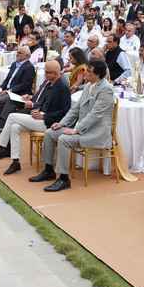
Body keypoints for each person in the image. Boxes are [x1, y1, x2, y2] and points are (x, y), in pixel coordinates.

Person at [30, 60, 115, 192]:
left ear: (98, 75)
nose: (85, 73)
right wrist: (62, 123)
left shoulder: (107, 89)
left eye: (89, 72)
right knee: (50, 133)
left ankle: (64, 179)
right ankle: (48, 170)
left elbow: (95, 115)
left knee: (64, 139)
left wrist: (76, 130)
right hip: (82, 129)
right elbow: (75, 109)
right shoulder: (88, 86)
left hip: (96, 133)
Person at [0, 60, 73, 175]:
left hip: (50, 123)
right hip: (40, 118)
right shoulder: (50, 83)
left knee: (12, 116)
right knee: (14, 127)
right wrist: (35, 106)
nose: (45, 75)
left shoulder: (62, 87)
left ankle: (0, 147)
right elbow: (43, 102)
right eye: (45, 72)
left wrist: (44, 116)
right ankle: (15, 162)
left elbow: (65, 112)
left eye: (47, 72)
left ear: (55, 73)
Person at [0, 45, 35, 134]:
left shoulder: (29, 67)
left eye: (20, 53)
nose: (17, 54)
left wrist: (9, 91)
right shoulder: (14, 64)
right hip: (7, 91)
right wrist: (0, 88)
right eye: (17, 52)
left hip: (19, 94)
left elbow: (24, 85)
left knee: (0, 101)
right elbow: (7, 79)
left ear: (27, 56)